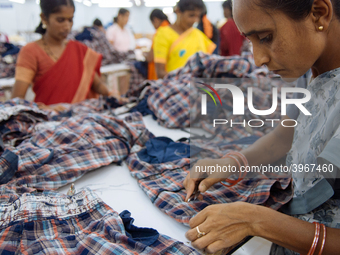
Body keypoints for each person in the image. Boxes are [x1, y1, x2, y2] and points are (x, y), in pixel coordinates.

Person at [184, 0, 340, 254]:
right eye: (250, 41)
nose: (258, 59)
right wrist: (232, 162)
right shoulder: (312, 70)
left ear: (319, 15)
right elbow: (285, 135)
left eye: (266, 37)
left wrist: (256, 220)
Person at [11, 0, 109, 110]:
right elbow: (17, 99)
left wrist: (110, 93)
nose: (67, 26)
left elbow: (97, 84)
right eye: (60, 20)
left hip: (82, 116)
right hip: (49, 121)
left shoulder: (80, 50)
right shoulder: (31, 51)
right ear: (44, 18)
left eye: (70, 20)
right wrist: (45, 109)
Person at [153, 0, 216, 79]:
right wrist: (184, 80)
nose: (195, 20)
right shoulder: (163, 34)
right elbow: (160, 73)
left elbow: (208, 64)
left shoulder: (198, 34)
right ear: (178, 11)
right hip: (176, 86)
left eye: (197, 16)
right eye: (191, 15)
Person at [144, 9, 170, 80]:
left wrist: (145, 55)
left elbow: (150, 57)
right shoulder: (172, 30)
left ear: (155, 20)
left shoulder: (160, 33)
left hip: (160, 75)